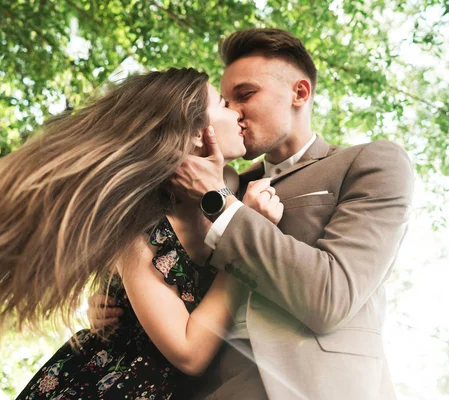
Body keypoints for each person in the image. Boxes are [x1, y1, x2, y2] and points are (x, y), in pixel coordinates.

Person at [0, 68, 282, 399]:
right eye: (224, 105)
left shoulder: (231, 186)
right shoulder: (142, 231)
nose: (238, 114)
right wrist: (244, 249)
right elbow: (190, 352)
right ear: (198, 133)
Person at [89, 28, 414, 399]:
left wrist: (224, 206)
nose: (233, 113)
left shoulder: (370, 162)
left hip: (317, 386)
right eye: (224, 103)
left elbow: (332, 296)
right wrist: (118, 305)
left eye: (245, 95)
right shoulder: (216, 183)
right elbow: (163, 260)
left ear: (299, 92)